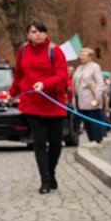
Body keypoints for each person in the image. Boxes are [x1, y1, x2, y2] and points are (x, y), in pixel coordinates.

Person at [11, 21, 70, 193]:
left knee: (56, 143)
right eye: (34, 32)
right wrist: (12, 93)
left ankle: (51, 173)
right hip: (32, 103)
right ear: (28, 34)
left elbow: (62, 76)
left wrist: (45, 84)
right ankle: (45, 180)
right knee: (38, 141)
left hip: (54, 103)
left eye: (41, 31)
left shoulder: (55, 51)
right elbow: (19, 75)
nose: (38, 35)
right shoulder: (23, 50)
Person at [71, 48, 109, 143]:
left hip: (91, 99)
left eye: (84, 55)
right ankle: (91, 140)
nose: (81, 57)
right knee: (86, 121)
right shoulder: (80, 68)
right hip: (80, 100)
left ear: (90, 56)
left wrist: (98, 97)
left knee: (94, 120)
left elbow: (100, 83)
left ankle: (97, 140)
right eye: (81, 55)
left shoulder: (95, 67)